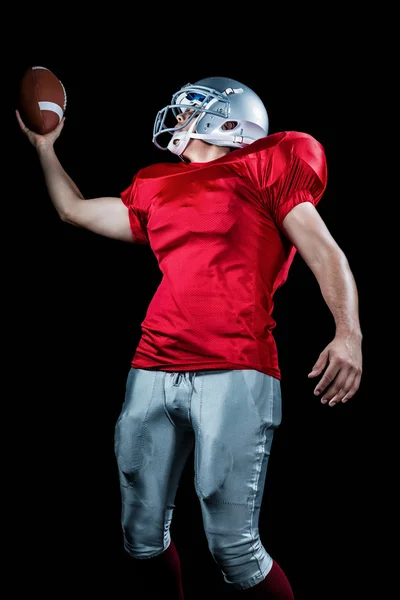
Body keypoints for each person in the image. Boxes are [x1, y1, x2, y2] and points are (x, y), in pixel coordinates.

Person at [16, 76, 362, 599]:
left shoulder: (268, 164)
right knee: (139, 536)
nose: (176, 116)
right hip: (151, 363)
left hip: (235, 365)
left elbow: (326, 252)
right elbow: (75, 211)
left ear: (229, 119)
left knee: (234, 548)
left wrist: (348, 334)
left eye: (190, 108)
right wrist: (45, 148)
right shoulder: (156, 183)